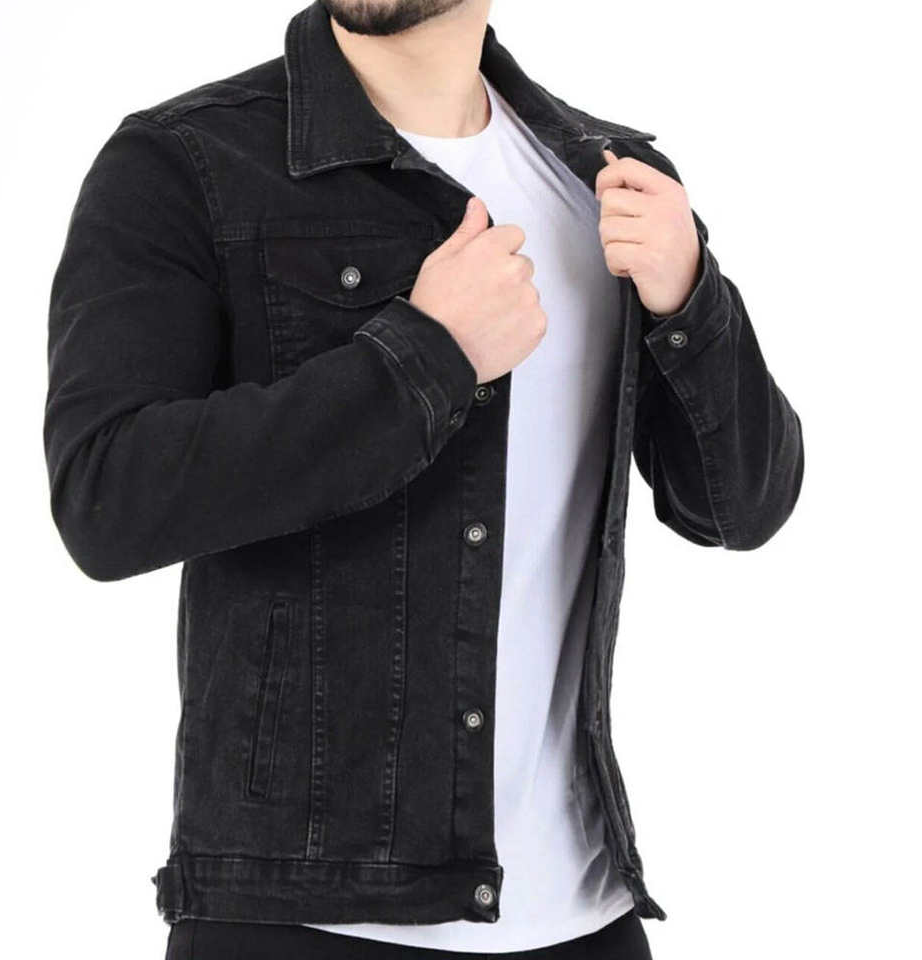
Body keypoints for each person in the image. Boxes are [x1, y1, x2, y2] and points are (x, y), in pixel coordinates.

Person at [43, 1, 804, 957]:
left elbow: (742, 507)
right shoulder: (185, 162)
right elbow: (105, 497)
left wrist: (692, 296)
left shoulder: (610, 180)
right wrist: (426, 356)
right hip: (302, 916)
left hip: (583, 911)